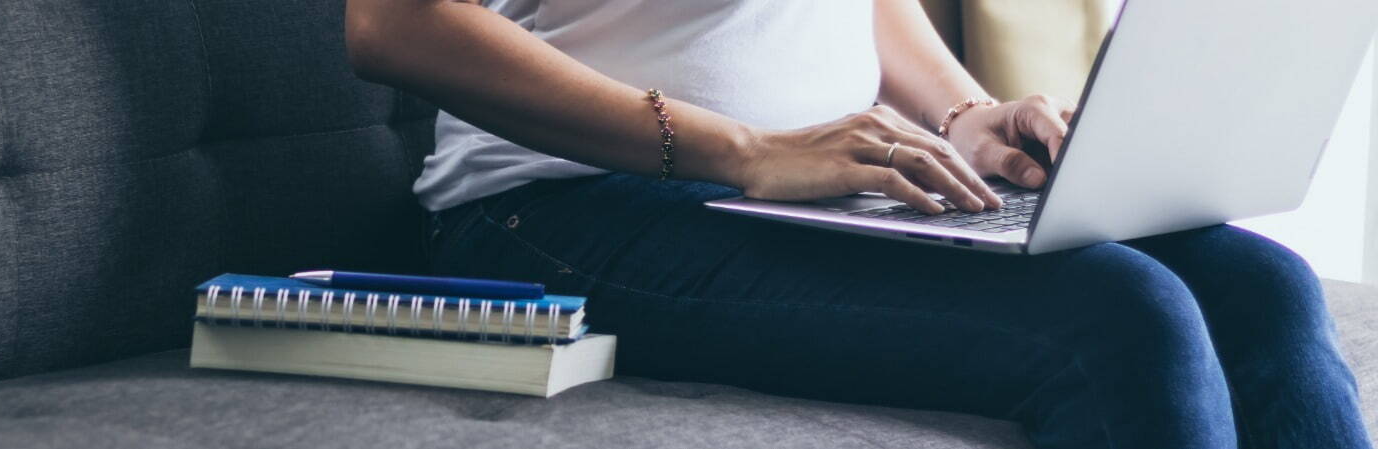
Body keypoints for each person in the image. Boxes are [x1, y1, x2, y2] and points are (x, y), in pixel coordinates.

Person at [343, 1, 1368, 447]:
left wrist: (965, 118)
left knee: (1260, 284)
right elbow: (392, 23)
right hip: (554, 206)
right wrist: (740, 149)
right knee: (1117, 318)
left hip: (819, 181)